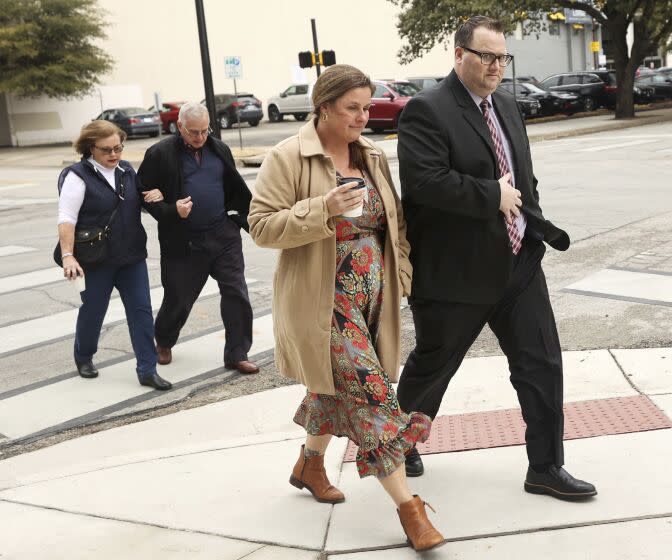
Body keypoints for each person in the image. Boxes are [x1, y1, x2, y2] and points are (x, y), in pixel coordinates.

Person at [396, 15, 597, 500]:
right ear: (459, 54)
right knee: (432, 367)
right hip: (458, 274)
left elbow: (520, 176)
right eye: (486, 55)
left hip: (519, 264)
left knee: (542, 364)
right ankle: (397, 444)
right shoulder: (427, 110)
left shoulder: (506, 105)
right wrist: (490, 195)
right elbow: (423, 183)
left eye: (502, 57)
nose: (495, 65)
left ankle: (546, 466)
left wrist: (530, 218)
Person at [249, 64, 445, 552]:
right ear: (324, 107)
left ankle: (309, 464)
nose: (364, 115)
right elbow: (261, 226)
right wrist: (324, 208)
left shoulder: (372, 153)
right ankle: (409, 509)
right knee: (373, 396)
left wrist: (401, 278)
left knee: (337, 385)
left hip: (372, 299)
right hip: (322, 302)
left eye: (367, 106)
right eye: (352, 108)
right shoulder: (288, 156)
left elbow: (392, 225)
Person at [137, 103, 259, 375]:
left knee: (236, 292)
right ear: (180, 126)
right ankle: (164, 340)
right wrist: (170, 209)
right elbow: (143, 191)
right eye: (194, 132)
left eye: (205, 130)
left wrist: (239, 217)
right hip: (185, 241)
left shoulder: (219, 149)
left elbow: (233, 188)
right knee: (179, 298)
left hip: (223, 235)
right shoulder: (160, 153)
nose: (200, 137)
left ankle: (238, 353)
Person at [57, 120, 172, 390]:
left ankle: (147, 369)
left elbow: (138, 201)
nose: (113, 155)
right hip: (96, 260)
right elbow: (67, 219)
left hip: (131, 256)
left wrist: (155, 195)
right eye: (106, 150)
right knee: (94, 311)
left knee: (141, 311)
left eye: (118, 148)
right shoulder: (77, 176)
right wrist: (67, 255)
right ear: (89, 148)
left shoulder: (126, 170)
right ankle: (83, 356)